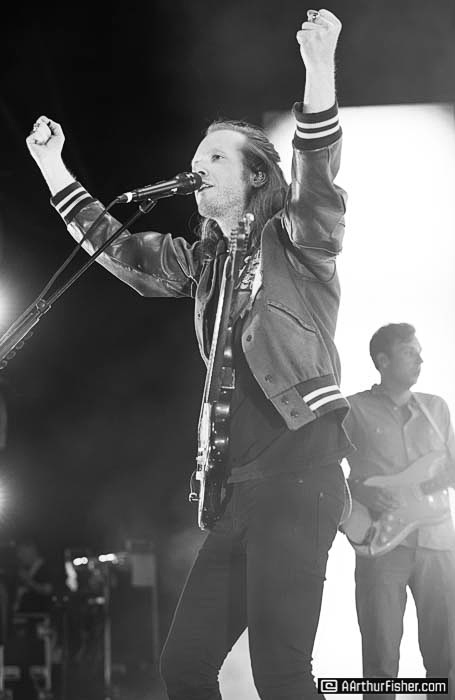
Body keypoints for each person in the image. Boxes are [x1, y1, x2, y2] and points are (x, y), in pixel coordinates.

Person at [27, 9, 351, 699]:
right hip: (236, 492)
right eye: (195, 157)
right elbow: (122, 251)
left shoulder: (298, 242)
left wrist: (319, 69)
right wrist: (54, 168)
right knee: (184, 666)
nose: (196, 167)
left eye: (215, 158)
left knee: (281, 671)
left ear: (256, 177)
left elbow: (317, 175)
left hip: (300, 479)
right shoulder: (205, 264)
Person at [344, 323, 455, 699]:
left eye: (419, 352)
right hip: (381, 545)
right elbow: (322, 470)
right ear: (383, 360)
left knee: (446, 659)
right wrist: (358, 492)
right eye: (410, 352)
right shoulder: (353, 409)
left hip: (439, 544)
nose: (420, 359)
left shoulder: (436, 408)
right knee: (380, 660)